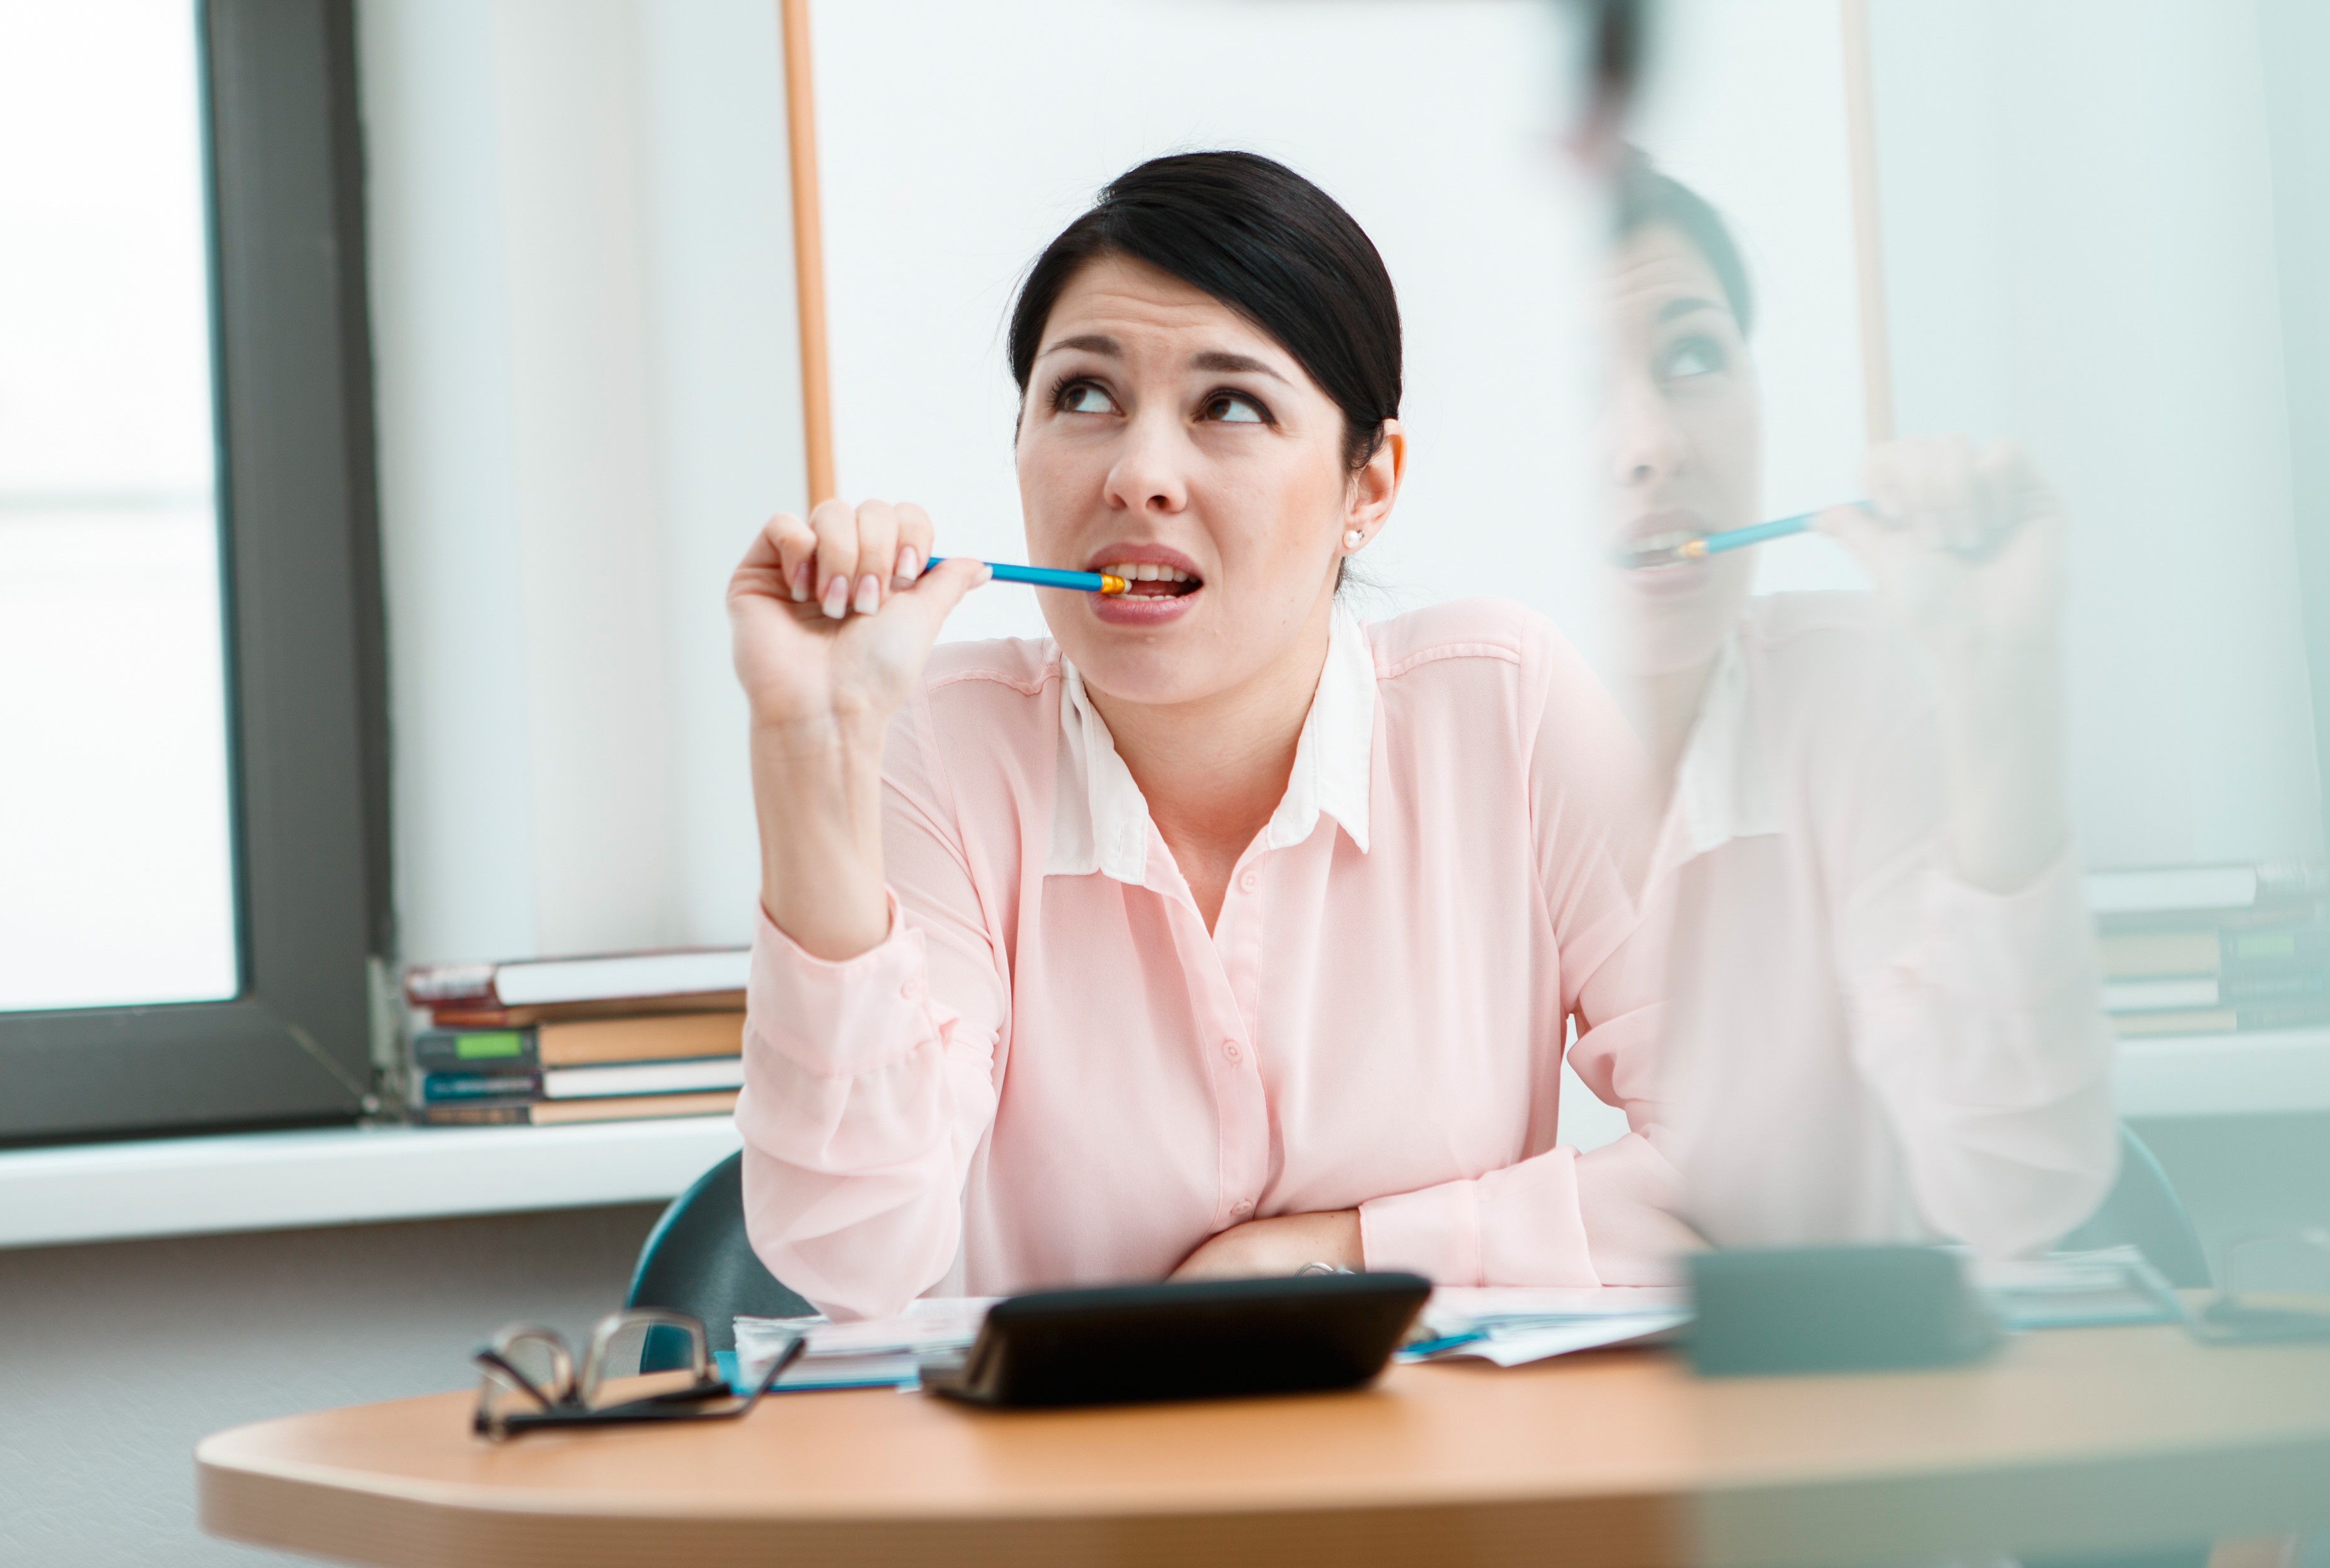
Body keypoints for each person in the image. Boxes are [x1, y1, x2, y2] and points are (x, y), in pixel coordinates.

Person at [726, 151, 1693, 1321]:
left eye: (1228, 405)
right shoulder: (937, 742)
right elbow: (852, 1253)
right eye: (1082, 395)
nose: (1139, 475)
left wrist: (1345, 1249)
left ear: (1367, 487)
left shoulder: (1508, 708)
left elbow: (1758, 1168)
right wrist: (808, 756)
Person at [1600, 152, 2117, 1256]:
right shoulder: (1380, 734)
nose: (1651, 447)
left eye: (1692, 355)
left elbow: (2011, 1191)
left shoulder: (1853, 695)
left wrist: (1998, 680)